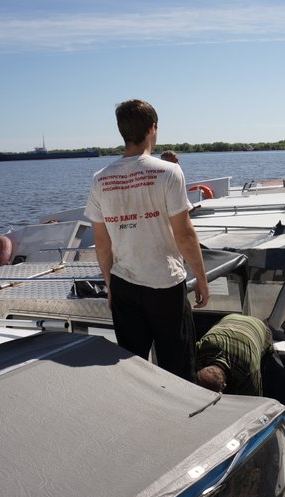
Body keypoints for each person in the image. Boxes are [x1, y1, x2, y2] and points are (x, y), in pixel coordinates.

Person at [84, 99, 209, 381]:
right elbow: (184, 234)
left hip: (124, 284)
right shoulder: (169, 172)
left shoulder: (100, 179)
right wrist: (201, 278)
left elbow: (102, 243)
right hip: (165, 286)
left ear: (122, 131)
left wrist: (110, 286)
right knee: (178, 369)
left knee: (134, 370)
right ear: (153, 128)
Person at [193, 314, 275, 397]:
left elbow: (253, 400)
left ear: (224, 386)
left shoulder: (249, 370)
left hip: (258, 327)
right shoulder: (202, 347)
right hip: (230, 318)